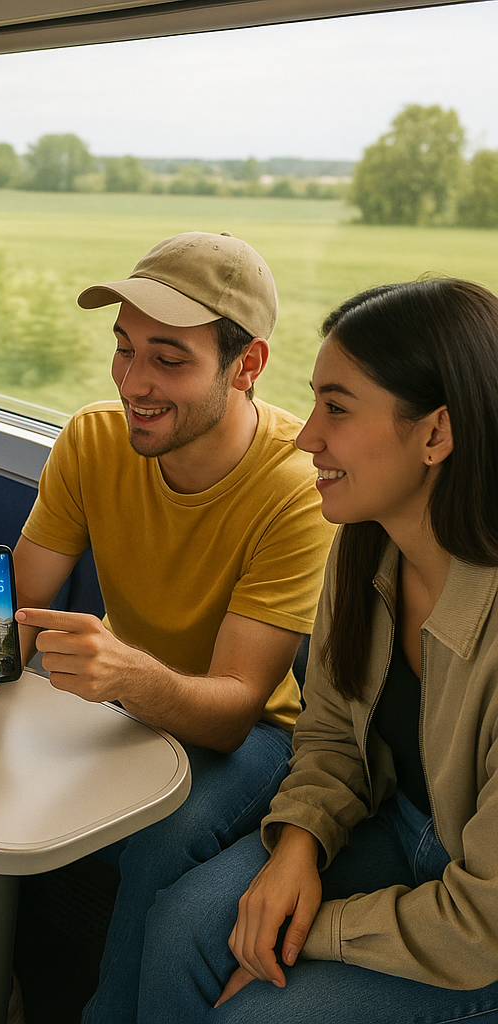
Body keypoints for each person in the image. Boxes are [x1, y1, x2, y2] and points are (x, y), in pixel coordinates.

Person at [0, 231, 336, 1016]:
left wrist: (129, 676)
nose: (134, 384)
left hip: (254, 732)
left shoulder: (294, 490)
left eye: (169, 359)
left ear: (246, 366)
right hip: (118, 688)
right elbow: (17, 600)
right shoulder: (91, 439)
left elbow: (235, 707)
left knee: (165, 835)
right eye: (124, 350)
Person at [138, 277, 498, 1024]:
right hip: (400, 829)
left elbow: (483, 924)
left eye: (336, 407)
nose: (305, 435)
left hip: (483, 927)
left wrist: (317, 932)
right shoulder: (366, 549)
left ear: (436, 433)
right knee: (183, 926)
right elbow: (332, 731)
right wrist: (298, 846)